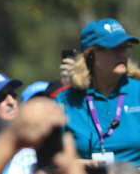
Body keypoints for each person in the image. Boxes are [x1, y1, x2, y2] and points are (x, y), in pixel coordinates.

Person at [55, 18, 140, 165]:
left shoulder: (137, 92)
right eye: (113, 49)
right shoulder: (65, 101)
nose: (122, 54)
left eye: (125, 48)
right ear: (90, 56)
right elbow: (52, 161)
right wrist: (86, 166)